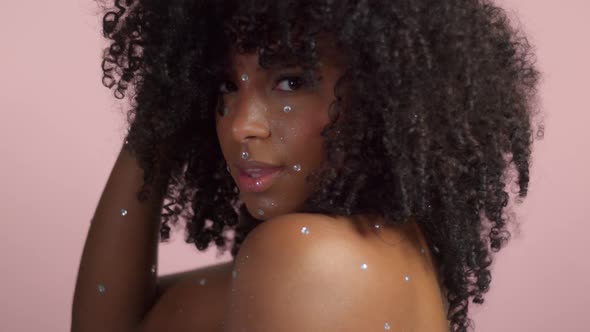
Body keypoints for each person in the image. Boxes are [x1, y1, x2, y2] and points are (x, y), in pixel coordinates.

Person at [71, 0, 543, 331]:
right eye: (225, 87)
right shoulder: (388, 248)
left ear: (382, 94)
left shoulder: (305, 258)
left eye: (291, 83)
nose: (240, 126)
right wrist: (164, 107)